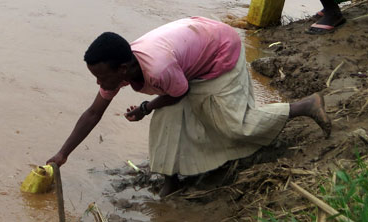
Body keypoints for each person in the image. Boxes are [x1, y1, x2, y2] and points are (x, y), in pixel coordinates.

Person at [46, 17, 330, 197]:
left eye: (100, 76)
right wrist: (62, 154)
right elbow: (94, 112)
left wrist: (146, 107)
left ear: (122, 68)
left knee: (233, 125)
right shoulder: (122, 68)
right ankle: (172, 180)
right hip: (190, 53)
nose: (98, 82)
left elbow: (178, 93)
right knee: (165, 119)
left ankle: (303, 106)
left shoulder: (157, 68)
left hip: (219, 50)